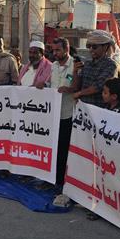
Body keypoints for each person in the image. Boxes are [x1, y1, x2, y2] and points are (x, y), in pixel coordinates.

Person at [65, 30, 119, 108]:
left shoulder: (110, 65)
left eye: (94, 47)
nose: (91, 50)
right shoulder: (87, 63)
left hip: (97, 108)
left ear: (105, 47)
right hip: (82, 108)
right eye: (89, 46)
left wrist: (79, 94)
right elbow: (76, 86)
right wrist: (75, 71)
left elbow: (98, 86)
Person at [51, 38, 75, 187]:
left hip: (68, 114)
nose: (55, 53)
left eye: (58, 50)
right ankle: (53, 179)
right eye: (53, 50)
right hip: (53, 114)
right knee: (54, 148)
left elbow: (77, 86)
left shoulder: (75, 66)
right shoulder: (53, 66)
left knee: (64, 150)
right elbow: (48, 84)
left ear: (66, 50)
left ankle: (62, 181)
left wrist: (69, 89)